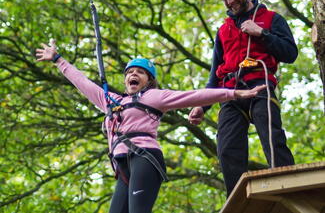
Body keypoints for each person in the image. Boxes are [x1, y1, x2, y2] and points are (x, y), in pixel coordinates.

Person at [36, 39, 265, 213]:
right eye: (130, 73)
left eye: (140, 72)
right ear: (125, 80)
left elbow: (194, 95)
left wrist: (235, 93)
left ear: (149, 81)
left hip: (144, 158)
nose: (133, 75)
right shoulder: (111, 101)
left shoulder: (153, 97)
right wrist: (58, 60)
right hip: (122, 168)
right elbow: (82, 82)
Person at [188, 0, 297, 197]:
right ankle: (238, 201)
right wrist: (202, 106)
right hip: (231, 93)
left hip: (260, 86)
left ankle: (289, 187)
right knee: (227, 149)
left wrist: (262, 33)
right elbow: (214, 78)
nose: (229, 1)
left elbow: (290, 53)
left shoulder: (271, 18)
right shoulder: (223, 31)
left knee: (271, 137)